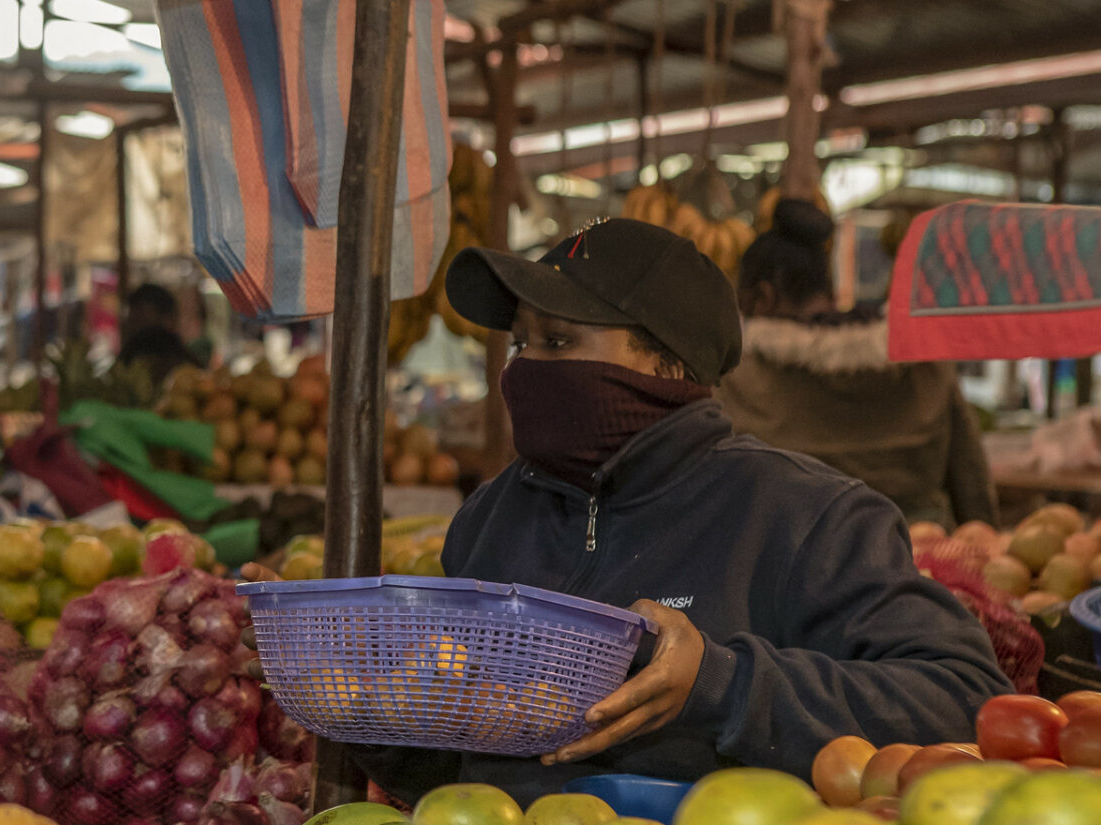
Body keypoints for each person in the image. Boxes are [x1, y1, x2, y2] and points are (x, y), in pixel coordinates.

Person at [267, 219, 1010, 805]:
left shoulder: (808, 516)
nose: (527, 367)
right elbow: (456, 768)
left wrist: (721, 684)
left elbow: (966, 697)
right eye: (522, 340)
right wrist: (375, 711)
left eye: (560, 340)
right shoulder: (491, 518)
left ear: (670, 365)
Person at [716, 198, 998, 528]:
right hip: (919, 558)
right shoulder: (924, 364)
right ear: (829, 288)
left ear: (763, 297)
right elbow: (973, 487)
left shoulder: (737, 380)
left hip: (795, 560)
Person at [118, 283, 201, 383]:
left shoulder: (184, 366)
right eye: (133, 321)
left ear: (168, 319)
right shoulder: (125, 363)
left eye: (142, 320)